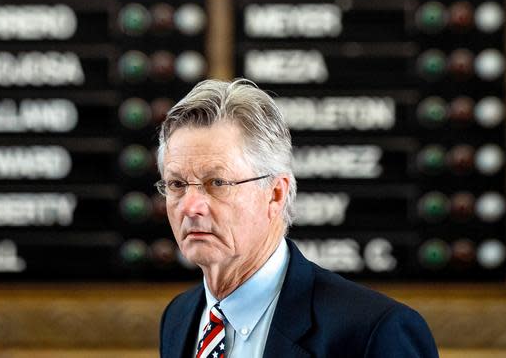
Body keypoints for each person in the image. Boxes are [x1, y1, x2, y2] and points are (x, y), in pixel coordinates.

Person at [157, 78, 438, 358]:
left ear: (276, 194)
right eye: (177, 184)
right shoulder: (179, 317)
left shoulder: (376, 332)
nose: (190, 207)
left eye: (217, 183)